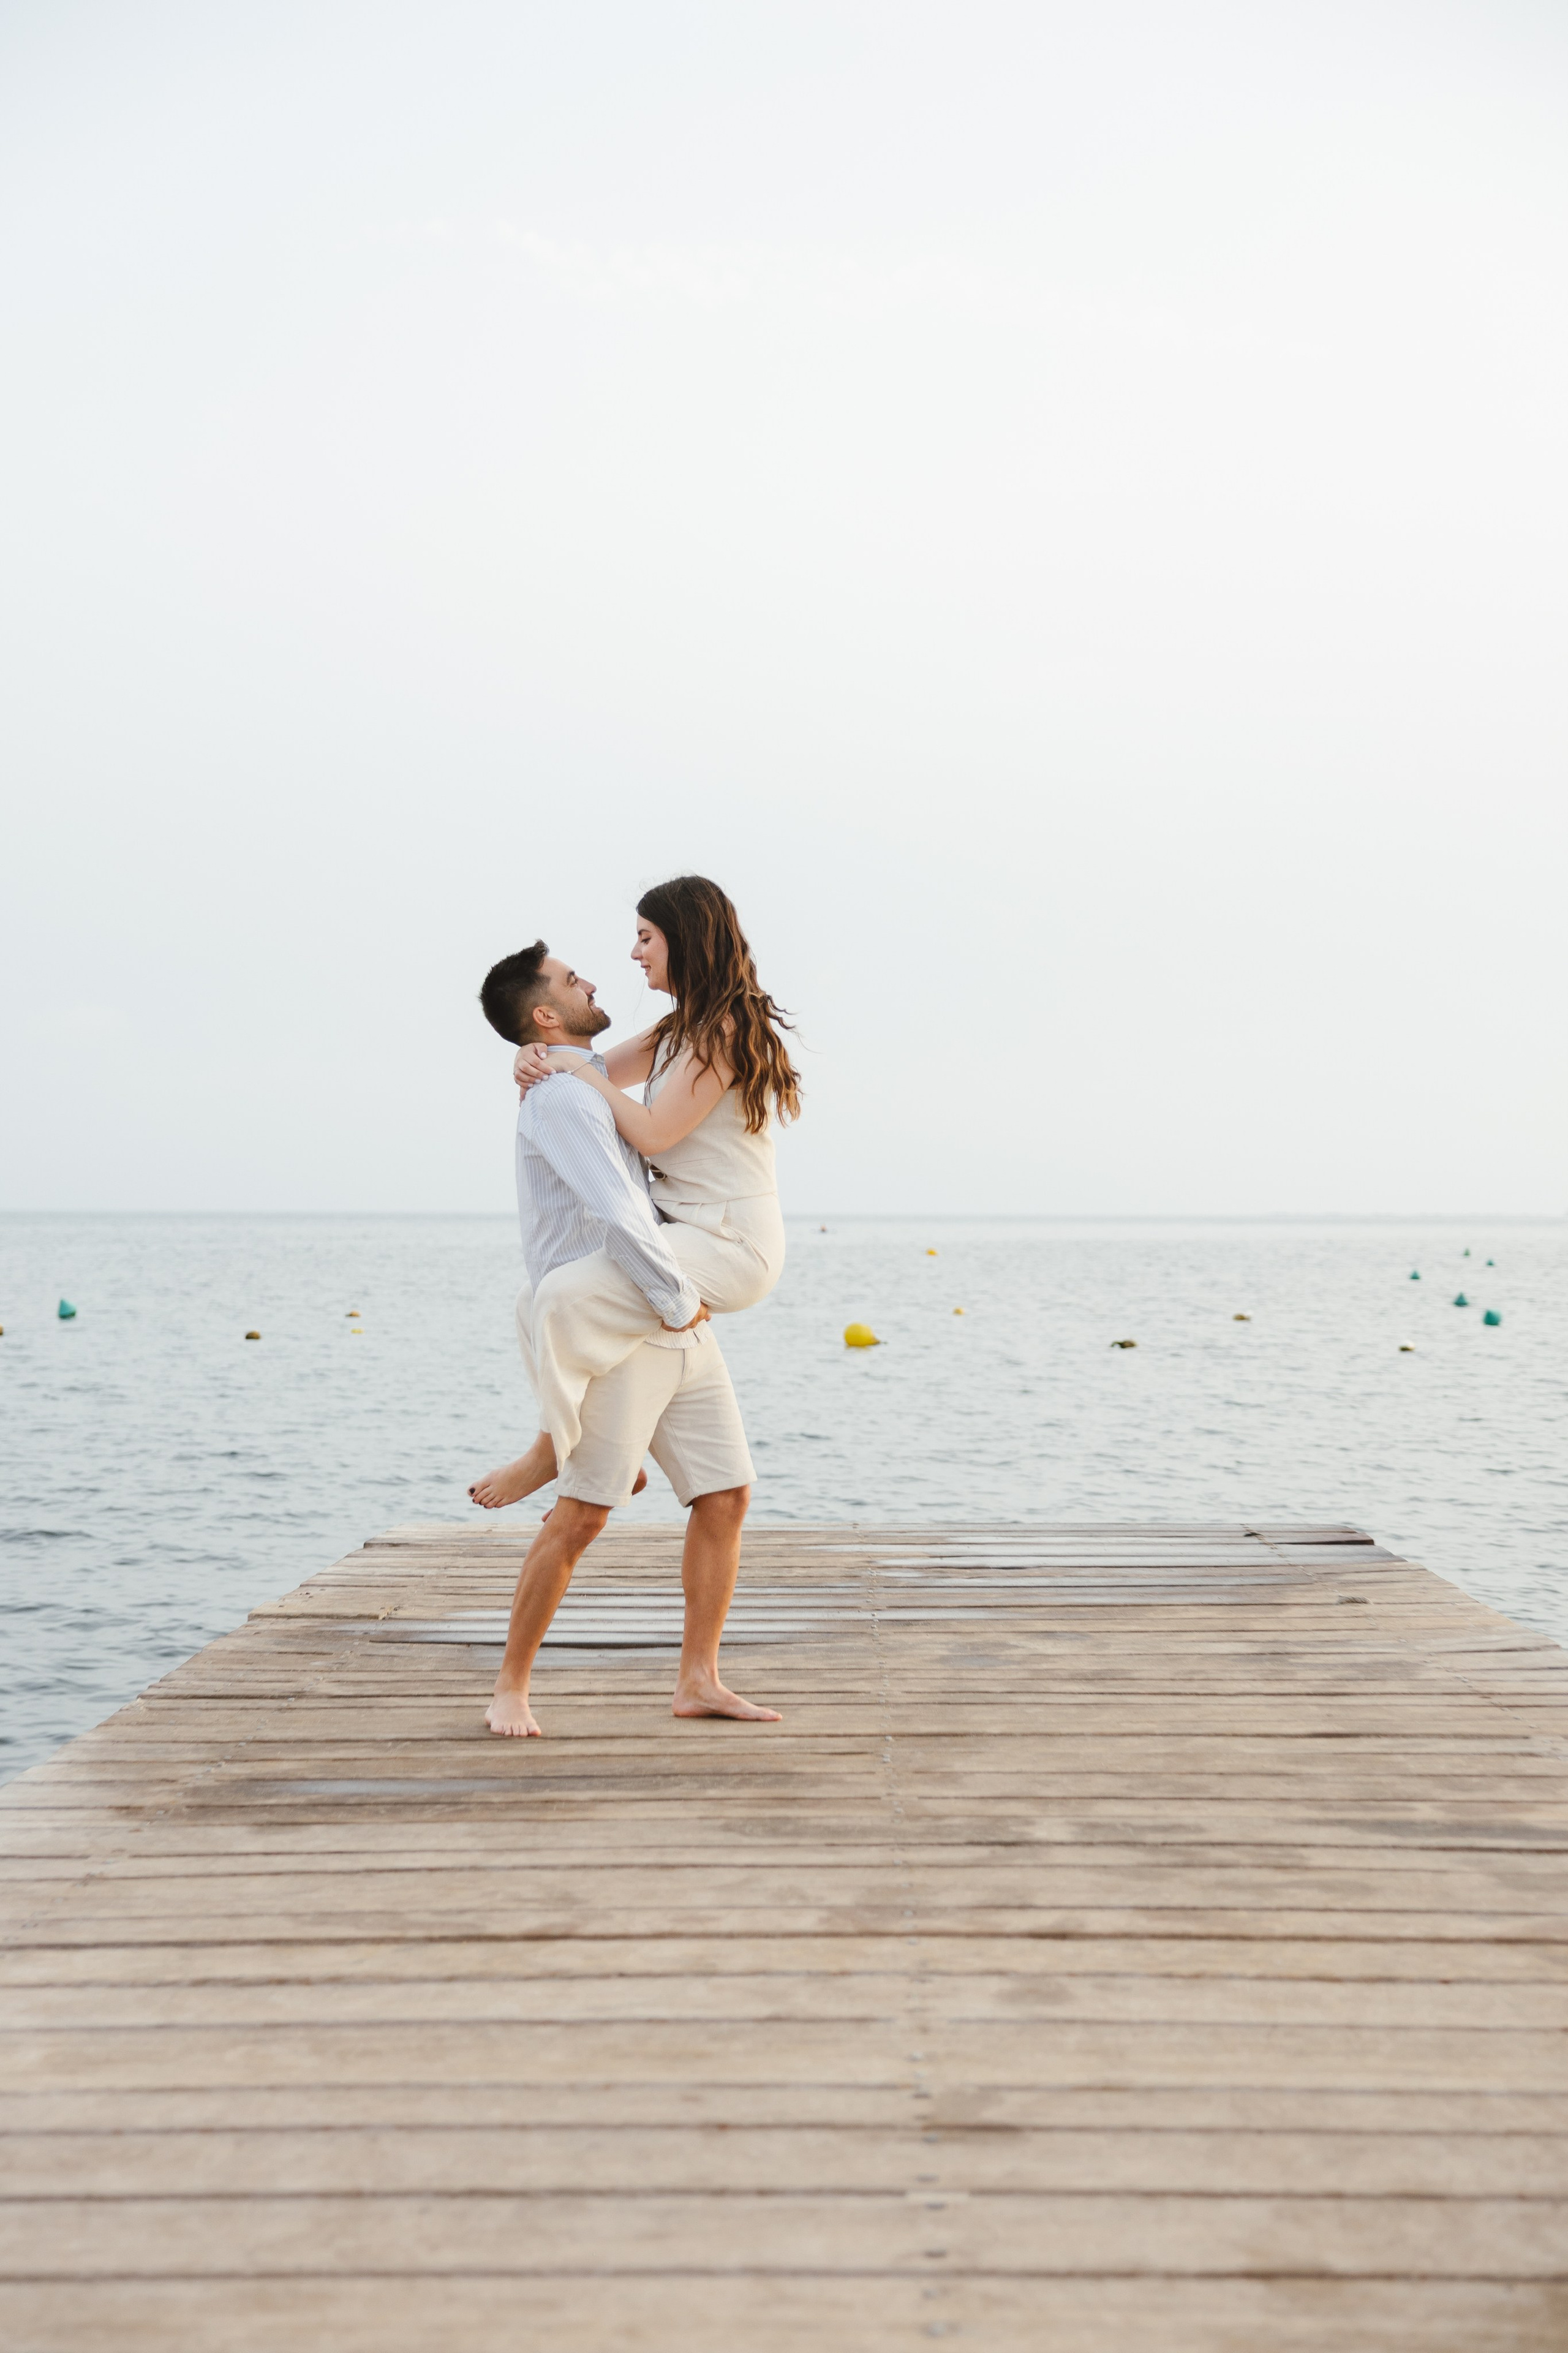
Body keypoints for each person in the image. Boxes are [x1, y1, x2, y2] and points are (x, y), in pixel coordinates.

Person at [472, 940, 780, 1735]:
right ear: (545, 1013)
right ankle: (510, 1685)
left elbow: (629, 1075)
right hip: (630, 1325)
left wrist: (678, 1300)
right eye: (573, 981)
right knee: (582, 1516)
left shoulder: (588, 1079)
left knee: (725, 1494)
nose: (596, 979)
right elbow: (616, 1211)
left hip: (666, 1311)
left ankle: (699, 1680)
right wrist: (679, 1299)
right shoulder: (562, 1100)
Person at [470, 875, 800, 1511]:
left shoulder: (724, 1029)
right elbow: (590, 1067)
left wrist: (567, 1067)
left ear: (684, 940)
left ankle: (554, 1446)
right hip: (691, 1230)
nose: (634, 953)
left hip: (732, 1241)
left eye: (646, 937)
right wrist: (531, 1056)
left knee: (566, 1294)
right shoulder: (680, 1029)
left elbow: (651, 1132)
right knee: (538, 1291)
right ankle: (604, 1444)